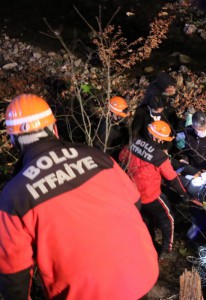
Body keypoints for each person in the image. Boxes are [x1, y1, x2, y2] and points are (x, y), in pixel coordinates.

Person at [0, 94, 158, 299]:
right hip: (141, 272)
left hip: (85, 293)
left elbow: (13, 274)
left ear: (13, 141)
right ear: (54, 129)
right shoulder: (97, 156)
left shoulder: (15, 196)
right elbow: (135, 202)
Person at [119, 120, 190, 257]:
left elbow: (122, 157)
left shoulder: (134, 142)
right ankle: (166, 250)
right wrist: (183, 194)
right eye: (163, 140)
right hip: (150, 195)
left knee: (144, 220)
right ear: (157, 138)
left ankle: (146, 243)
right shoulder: (159, 157)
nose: (164, 142)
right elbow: (172, 179)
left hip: (132, 193)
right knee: (168, 219)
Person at [131, 72, 181, 140]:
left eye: (173, 87)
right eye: (170, 87)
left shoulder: (162, 98)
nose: (172, 90)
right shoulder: (149, 105)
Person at [93, 96, 131, 162]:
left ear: (113, 113)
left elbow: (98, 148)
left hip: (105, 160)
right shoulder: (126, 128)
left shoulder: (108, 128)